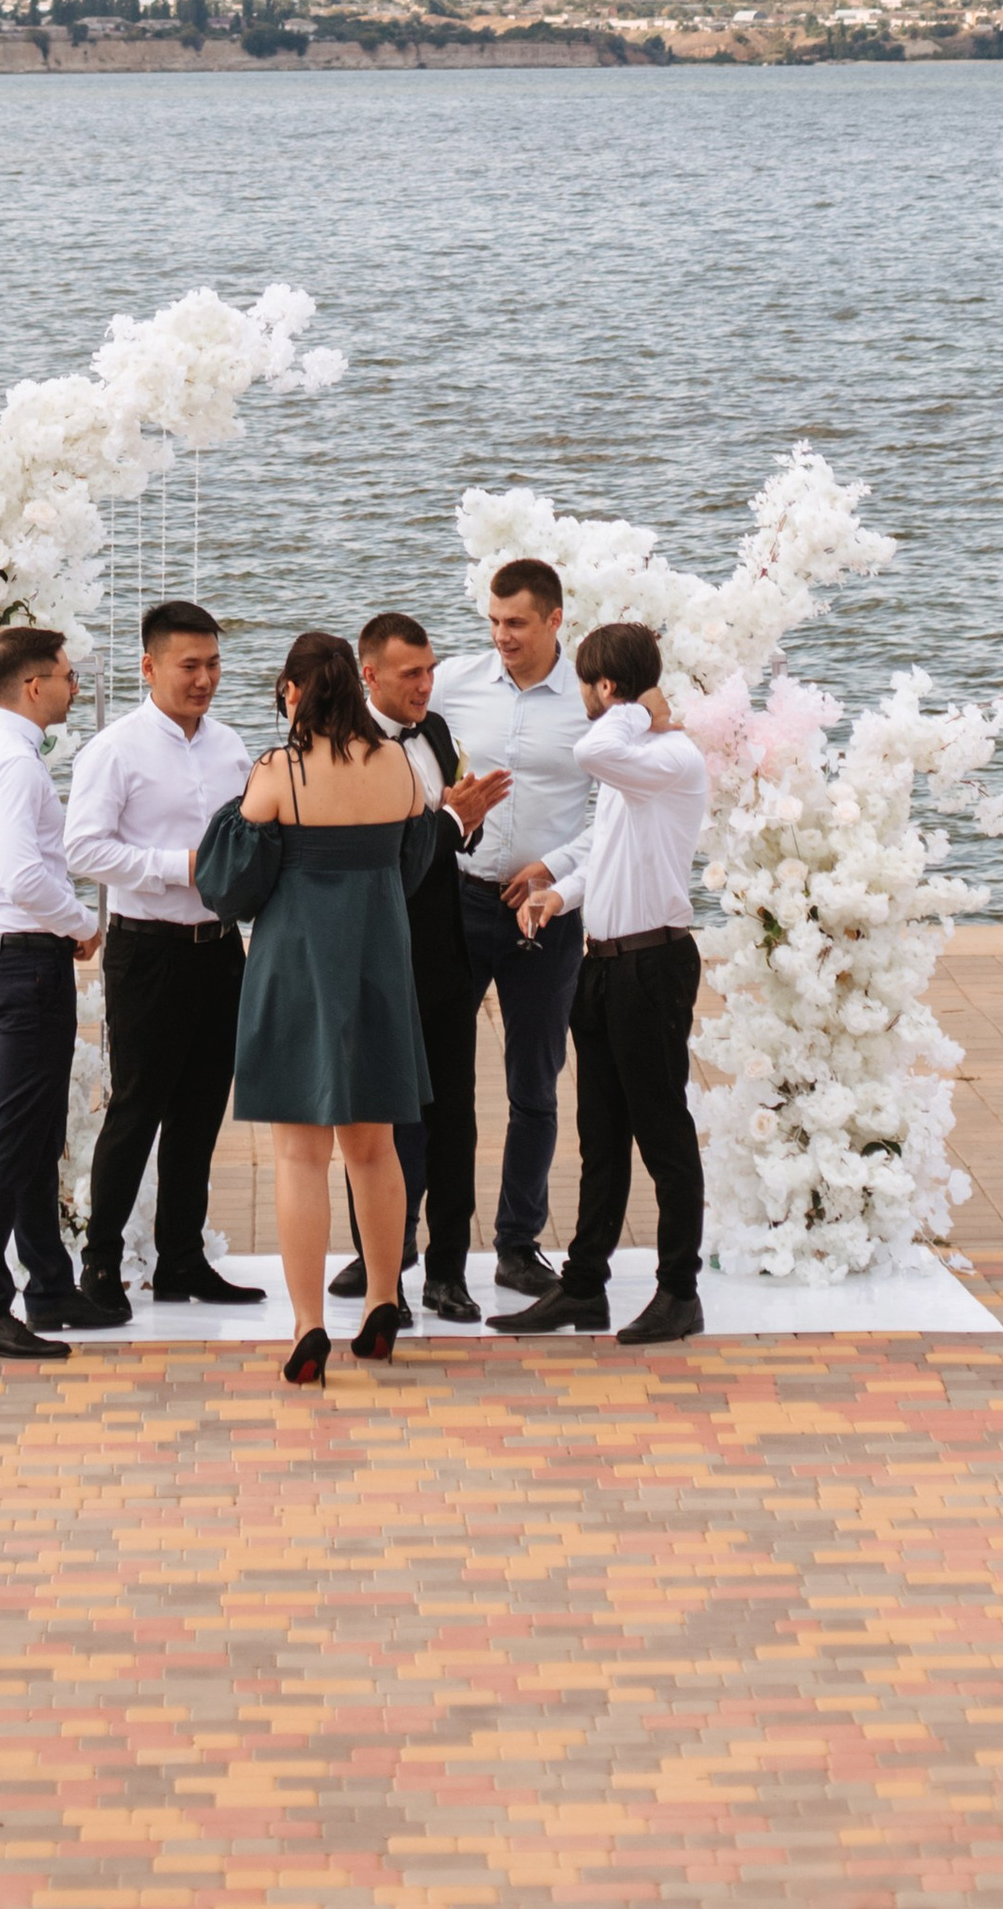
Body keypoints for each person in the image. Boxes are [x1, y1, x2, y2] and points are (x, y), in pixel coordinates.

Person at [194, 632, 434, 1387]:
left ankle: (307, 1326)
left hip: (298, 969)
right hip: (378, 967)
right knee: (376, 1147)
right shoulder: (399, 763)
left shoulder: (279, 771)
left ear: (292, 692)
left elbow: (229, 883)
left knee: (302, 1155)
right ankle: (386, 1298)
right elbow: (416, 860)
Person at [489, 620, 713, 1349]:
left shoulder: (667, 754)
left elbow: (591, 746)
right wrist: (563, 892)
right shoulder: (632, 763)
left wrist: (639, 706)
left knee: (663, 1133)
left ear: (606, 688)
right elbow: (613, 850)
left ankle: (680, 1291)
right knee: (601, 1134)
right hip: (606, 960)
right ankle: (585, 1285)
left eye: (589, 685)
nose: (581, 697)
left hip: (654, 964)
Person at [62, 597, 263, 1322]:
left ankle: (181, 1256)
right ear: (150, 667)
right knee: (136, 1107)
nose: (204, 678)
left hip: (220, 950)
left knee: (203, 1108)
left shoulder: (233, 746)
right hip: (147, 950)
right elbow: (81, 847)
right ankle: (103, 1261)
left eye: (213, 663)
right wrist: (180, 865)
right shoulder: (114, 749)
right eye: (189, 665)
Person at [333, 612, 510, 1323]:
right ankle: (385, 1274)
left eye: (432, 670)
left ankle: (448, 1271)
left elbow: (449, 844)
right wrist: (445, 814)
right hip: (375, 956)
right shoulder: (342, 748)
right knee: (377, 1117)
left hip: (443, 953)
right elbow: (376, 859)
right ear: (368, 674)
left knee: (454, 1118)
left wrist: (469, 818)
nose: (427, 685)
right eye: (412, 673)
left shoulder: (436, 733)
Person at [431, 556, 597, 1294]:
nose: (501, 635)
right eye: (494, 622)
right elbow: (385, 722)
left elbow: (614, 815)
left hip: (545, 913)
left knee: (535, 1084)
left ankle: (517, 1244)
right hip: (459, 902)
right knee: (429, 1081)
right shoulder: (456, 681)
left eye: (517, 623)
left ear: (556, 619)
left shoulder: (594, 698)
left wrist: (554, 867)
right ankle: (401, 1245)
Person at [0, 623, 102, 1361]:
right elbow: (24, 875)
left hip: (9, 956)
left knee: (37, 1133)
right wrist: (80, 925)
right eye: (68, 675)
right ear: (35, 684)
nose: (76, 686)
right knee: (11, 1138)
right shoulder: (15, 763)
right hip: (30, 960)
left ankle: (49, 1282)